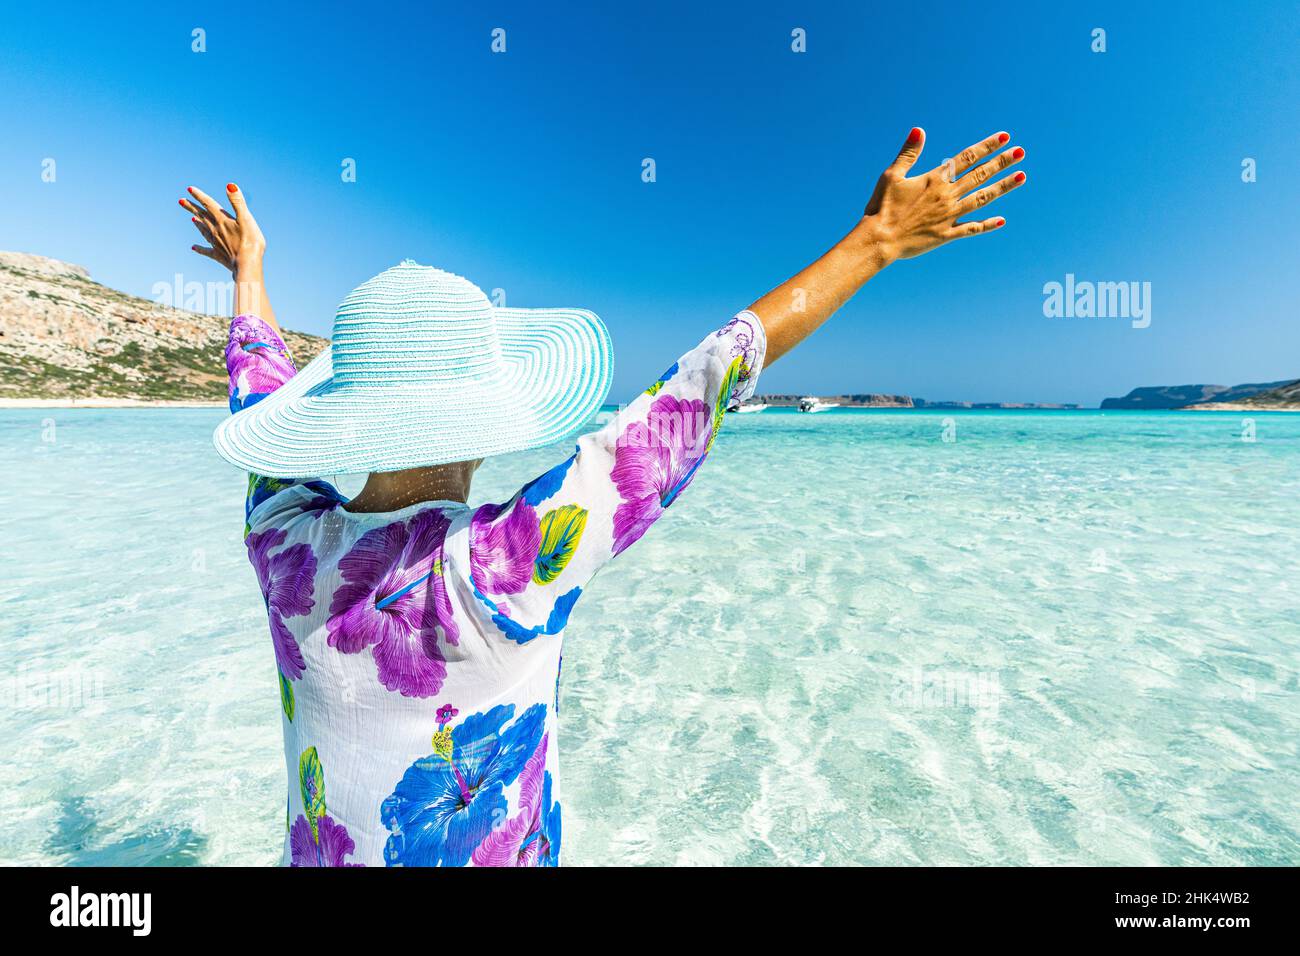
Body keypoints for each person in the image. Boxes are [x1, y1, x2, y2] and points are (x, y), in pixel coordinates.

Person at [180, 127, 1026, 867]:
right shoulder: (503, 567)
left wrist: (249, 274)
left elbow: (258, 390)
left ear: (342, 417)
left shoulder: (280, 543)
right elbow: (698, 394)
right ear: (488, 416)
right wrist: (873, 243)